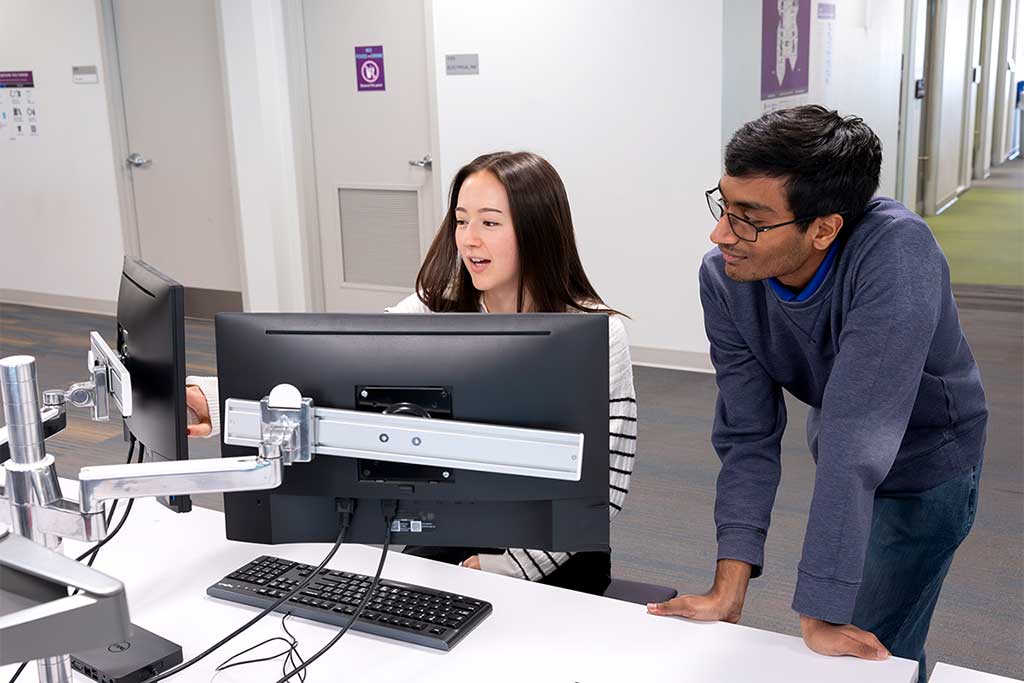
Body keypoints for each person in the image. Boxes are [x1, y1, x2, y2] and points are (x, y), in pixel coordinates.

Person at [186, 151, 637, 596]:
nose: (469, 239)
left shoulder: (598, 334)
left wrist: (507, 567)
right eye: (461, 220)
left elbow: (608, 480)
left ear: (537, 230)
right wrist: (219, 400)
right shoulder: (437, 307)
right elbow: (337, 368)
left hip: (553, 544)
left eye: (490, 222)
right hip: (455, 519)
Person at [646, 105, 986, 682]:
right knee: (868, 645)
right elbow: (747, 435)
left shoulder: (898, 255)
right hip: (843, 432)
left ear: (824, 227)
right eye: (723, 206)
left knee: (871, 650)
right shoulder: (725, 277)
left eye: (750, 218)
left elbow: (860, 440)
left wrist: (821, 611)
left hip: (928, 456)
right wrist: (727, 590)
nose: (721, 233)